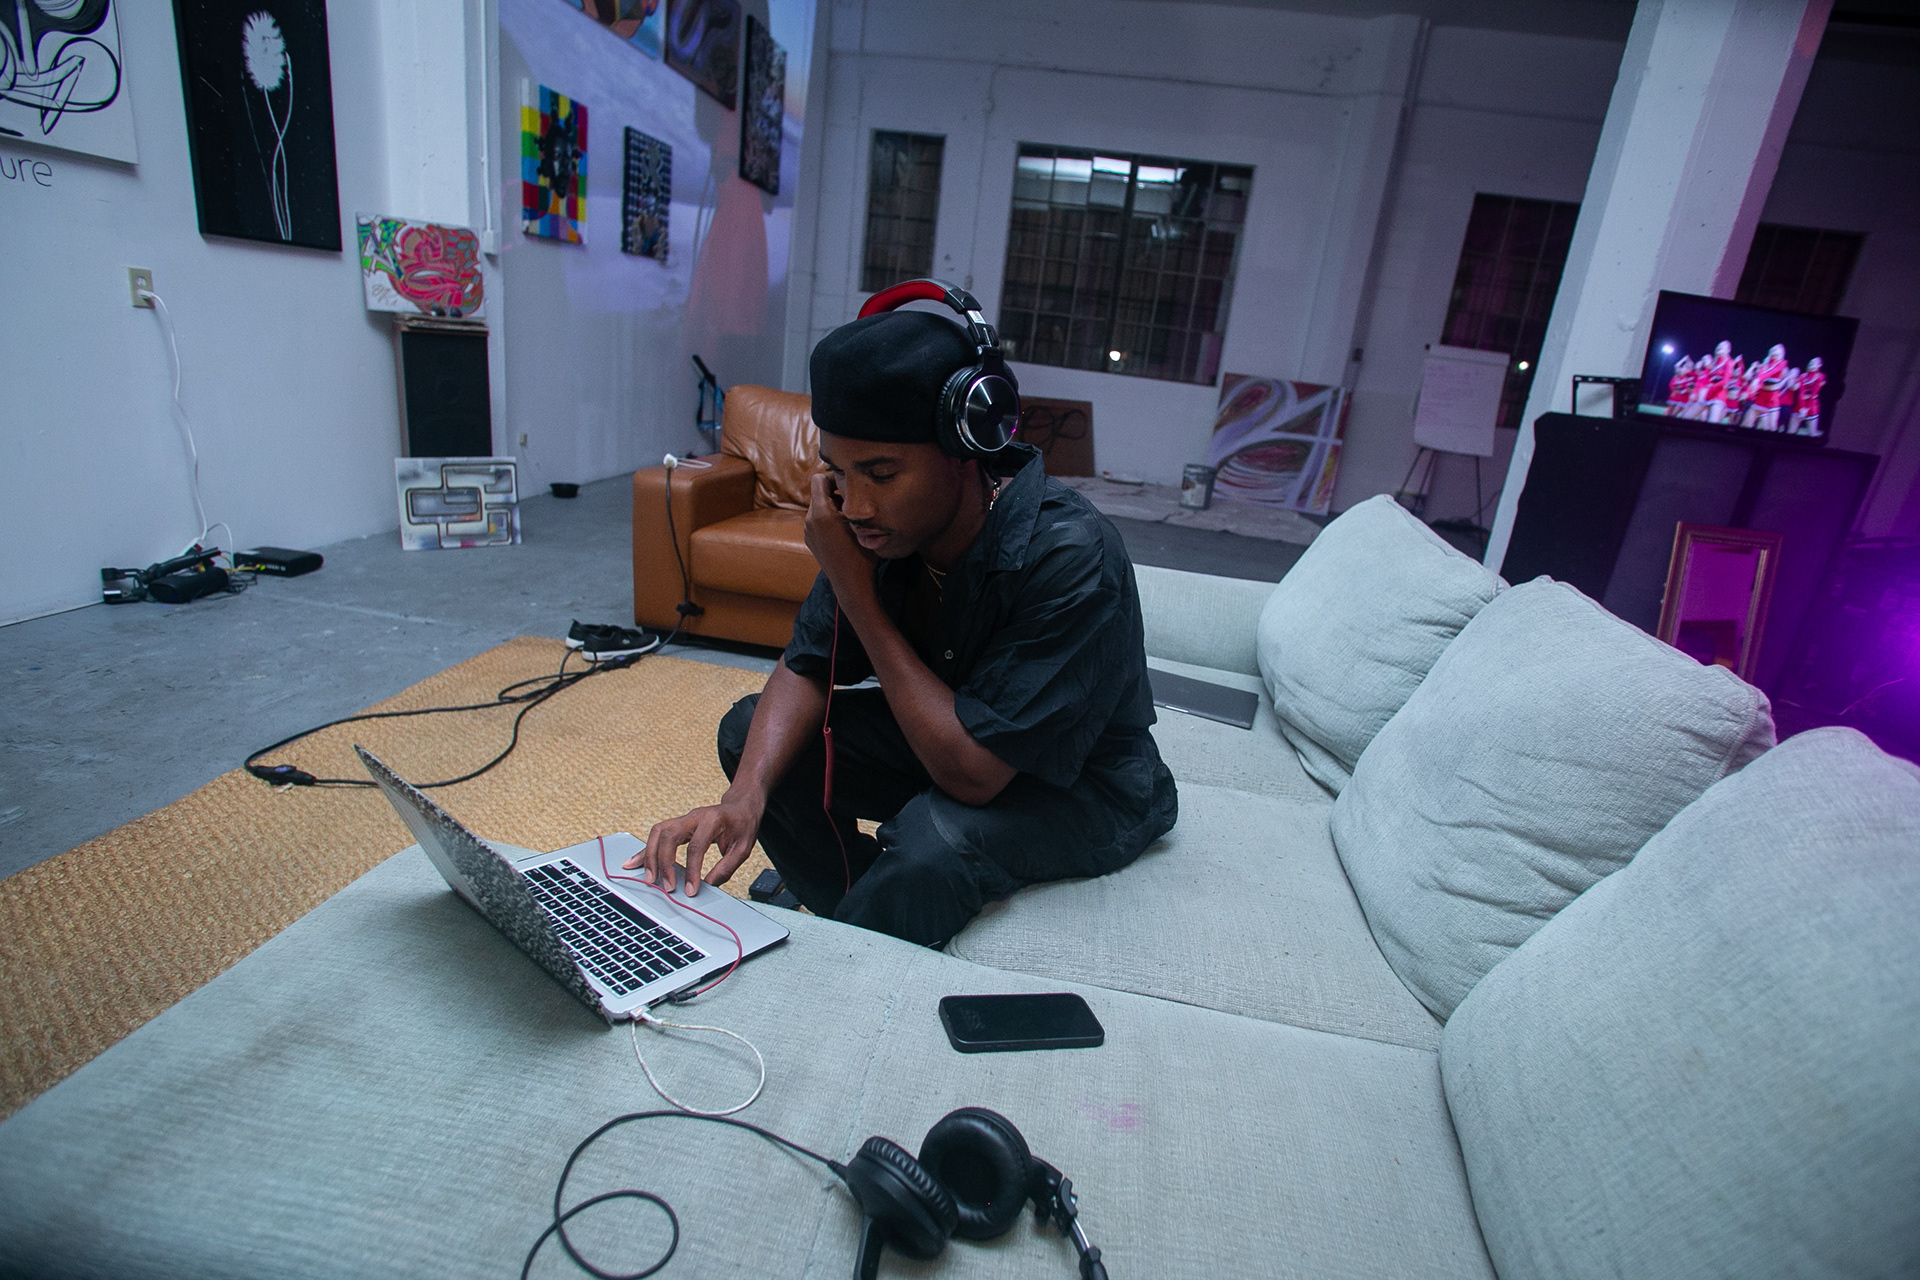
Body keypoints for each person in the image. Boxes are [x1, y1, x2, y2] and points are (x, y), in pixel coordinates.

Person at [627, 308, 1179, 947]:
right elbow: (808, 664)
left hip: (1078, 785)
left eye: (882, 474)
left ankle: (844, 957)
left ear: (965, 453)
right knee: (751, 736)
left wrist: (856, 591)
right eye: (837, 473)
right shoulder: (877, 525)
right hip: (945, 738)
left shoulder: (1071, 554)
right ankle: (852, 909)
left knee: (931, 844)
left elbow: (974, 776)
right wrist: (743, 798)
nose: (855, 505)